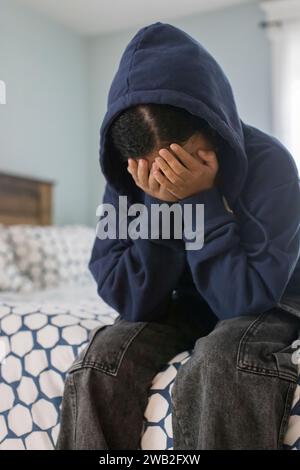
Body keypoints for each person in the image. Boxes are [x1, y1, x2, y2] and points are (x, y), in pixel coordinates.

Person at [56, 21, 300, 450]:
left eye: (182, 164)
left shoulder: (271, 165)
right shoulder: (128, 177)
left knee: (225, 362)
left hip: (269, 296)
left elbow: (243, 303)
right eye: (154, 172)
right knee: (102, 361)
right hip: (180, 303)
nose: (166, 178)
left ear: (217, 128)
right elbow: (133, 302)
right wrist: (160, 205)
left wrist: (199, 202)